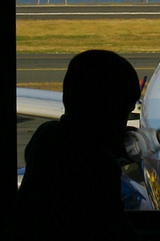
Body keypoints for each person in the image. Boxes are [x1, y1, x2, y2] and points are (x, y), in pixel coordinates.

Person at [17, 50, 140, 240]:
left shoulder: (45, 136)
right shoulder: (100, 165)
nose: (124, 123)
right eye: (125, 112)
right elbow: (118, 230)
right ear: (109, 109)